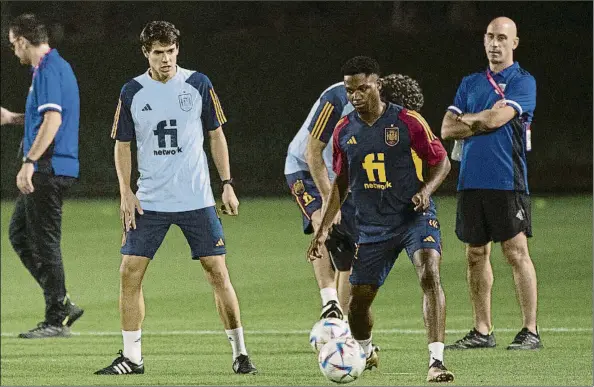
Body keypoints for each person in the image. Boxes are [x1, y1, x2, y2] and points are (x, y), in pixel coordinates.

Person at [94, 21, 257, 375]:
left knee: (217, 272)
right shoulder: (132, 91)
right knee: (129, 272)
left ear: (178, 50)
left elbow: (216, 135)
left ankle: (241, 353)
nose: (165, 59)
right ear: (146, 53)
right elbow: (122, 145)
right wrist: (126, 192)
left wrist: (226, 183)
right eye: (158, 52)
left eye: (170, 51)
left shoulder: (198, 83)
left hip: (196, 198)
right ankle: (132, 358)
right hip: (149, 201)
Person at [308, 56, 454, 383]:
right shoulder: (344, 131)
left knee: (429, 270)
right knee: (357, 306)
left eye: (363, 88)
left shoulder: (408, 121)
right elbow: (341, 183)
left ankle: (436, 361)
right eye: (350, 90)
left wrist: (426, 191)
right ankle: (366, 350)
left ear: (378, 85)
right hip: (372, 227)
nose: (356, 95)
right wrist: (322, 228)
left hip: (413, 217)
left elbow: (441, 162)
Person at [441, 17, 541, 351]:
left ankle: (530, 331)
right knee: (474, 254)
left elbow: (499, 119)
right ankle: (482, 331)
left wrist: (471, 119)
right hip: (471, 181)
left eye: (501, 38)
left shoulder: (523, 82)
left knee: (515, 252)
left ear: (514, 43)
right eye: (489, 37)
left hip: (506, 180)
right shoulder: (470, 83)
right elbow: (446, 129)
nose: (494, 44)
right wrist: (480, 119)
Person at [2, 13, 84, 339]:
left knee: (44, 242)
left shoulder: (49, 69)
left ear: (23, 40)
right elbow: (43, 119)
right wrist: (12, 119)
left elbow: (52, 121)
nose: (13, 51)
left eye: (13, 45)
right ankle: (60, 301)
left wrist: (29, 161)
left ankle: (55, 317)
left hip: (49, 168)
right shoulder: (50, 69)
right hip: (50, 166)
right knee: (20, 234)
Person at [284, 82, 356, 320]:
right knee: (323, 221)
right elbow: (312, 153)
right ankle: (329, 301)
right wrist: (328, 201)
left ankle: (341, 324)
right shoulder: (337, 99)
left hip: (341, 179)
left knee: (350, 249)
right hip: (304, 169)